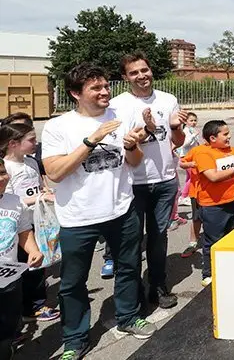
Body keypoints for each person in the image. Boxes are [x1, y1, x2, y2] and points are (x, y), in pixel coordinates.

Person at [42, 64, 155, 359]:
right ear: (75, 93)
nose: (105, 91)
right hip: (78, 217)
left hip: (122, 210)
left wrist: (131, 146)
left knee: (128, 268)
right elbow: (55, 173)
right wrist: (91, 141)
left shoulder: (120, 117)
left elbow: (134, 162)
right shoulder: (58, 126)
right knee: (72, 283)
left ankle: (128, 317)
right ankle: (75, 339)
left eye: (106, 86)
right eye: (96, 88)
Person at [110, 52, 188, 310]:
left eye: (144, 70)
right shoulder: (117, 105)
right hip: (132, 183)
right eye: (134, 72)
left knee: (158, 237)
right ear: (125, 77)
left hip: (165, 181)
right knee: (131, 242)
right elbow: (119, 145)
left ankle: (157, 286)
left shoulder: (168, 99)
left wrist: (175, 127)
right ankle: (132, 294)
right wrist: (145, 131)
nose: (141, 76)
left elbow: (178, 141)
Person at [0, 124, 59, 323]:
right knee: (20, 268)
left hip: (36, 221)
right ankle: (28, 307)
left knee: (37, 265)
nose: (36, 143)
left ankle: (35, 304)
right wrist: (39, 198)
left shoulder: (32, 162)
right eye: (31, 140)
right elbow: (10, 200)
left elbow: (40, 185)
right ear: (13, 144)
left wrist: (45, 192)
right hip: (14, 226)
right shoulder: (6, 168)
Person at [193, 120, 234, 287]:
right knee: (213, 241)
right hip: (212, 206)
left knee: (230, 238)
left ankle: (228, 271)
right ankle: (209, 273)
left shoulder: (233, 151)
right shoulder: (203, 153)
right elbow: (212, 176)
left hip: (230, 202)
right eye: (225, 134)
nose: (229, 136)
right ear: (213, 138)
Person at [0, 157, 43, 360]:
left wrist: (33, 250)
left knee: (8, 329)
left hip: (10, 279)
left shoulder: (14, 202)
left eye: (3, 172)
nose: (2, 178)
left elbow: (24, 230)